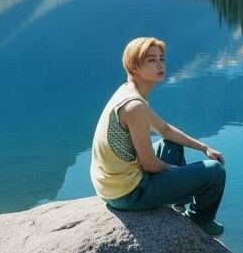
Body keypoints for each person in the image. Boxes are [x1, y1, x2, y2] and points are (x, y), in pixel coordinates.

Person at [90, 36, 228, 235]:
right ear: (134, 67)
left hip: (111, 185)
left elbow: (165, 130)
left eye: (161, 59)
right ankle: (200, 220)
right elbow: (149, 165)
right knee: (215, 172)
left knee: (171, 144)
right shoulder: (134, 106)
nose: (160, 65)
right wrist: (176, 171)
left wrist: (204, 147)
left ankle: (178, 201)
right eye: (151, 60)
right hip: (128, 193)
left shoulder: (128, 93)